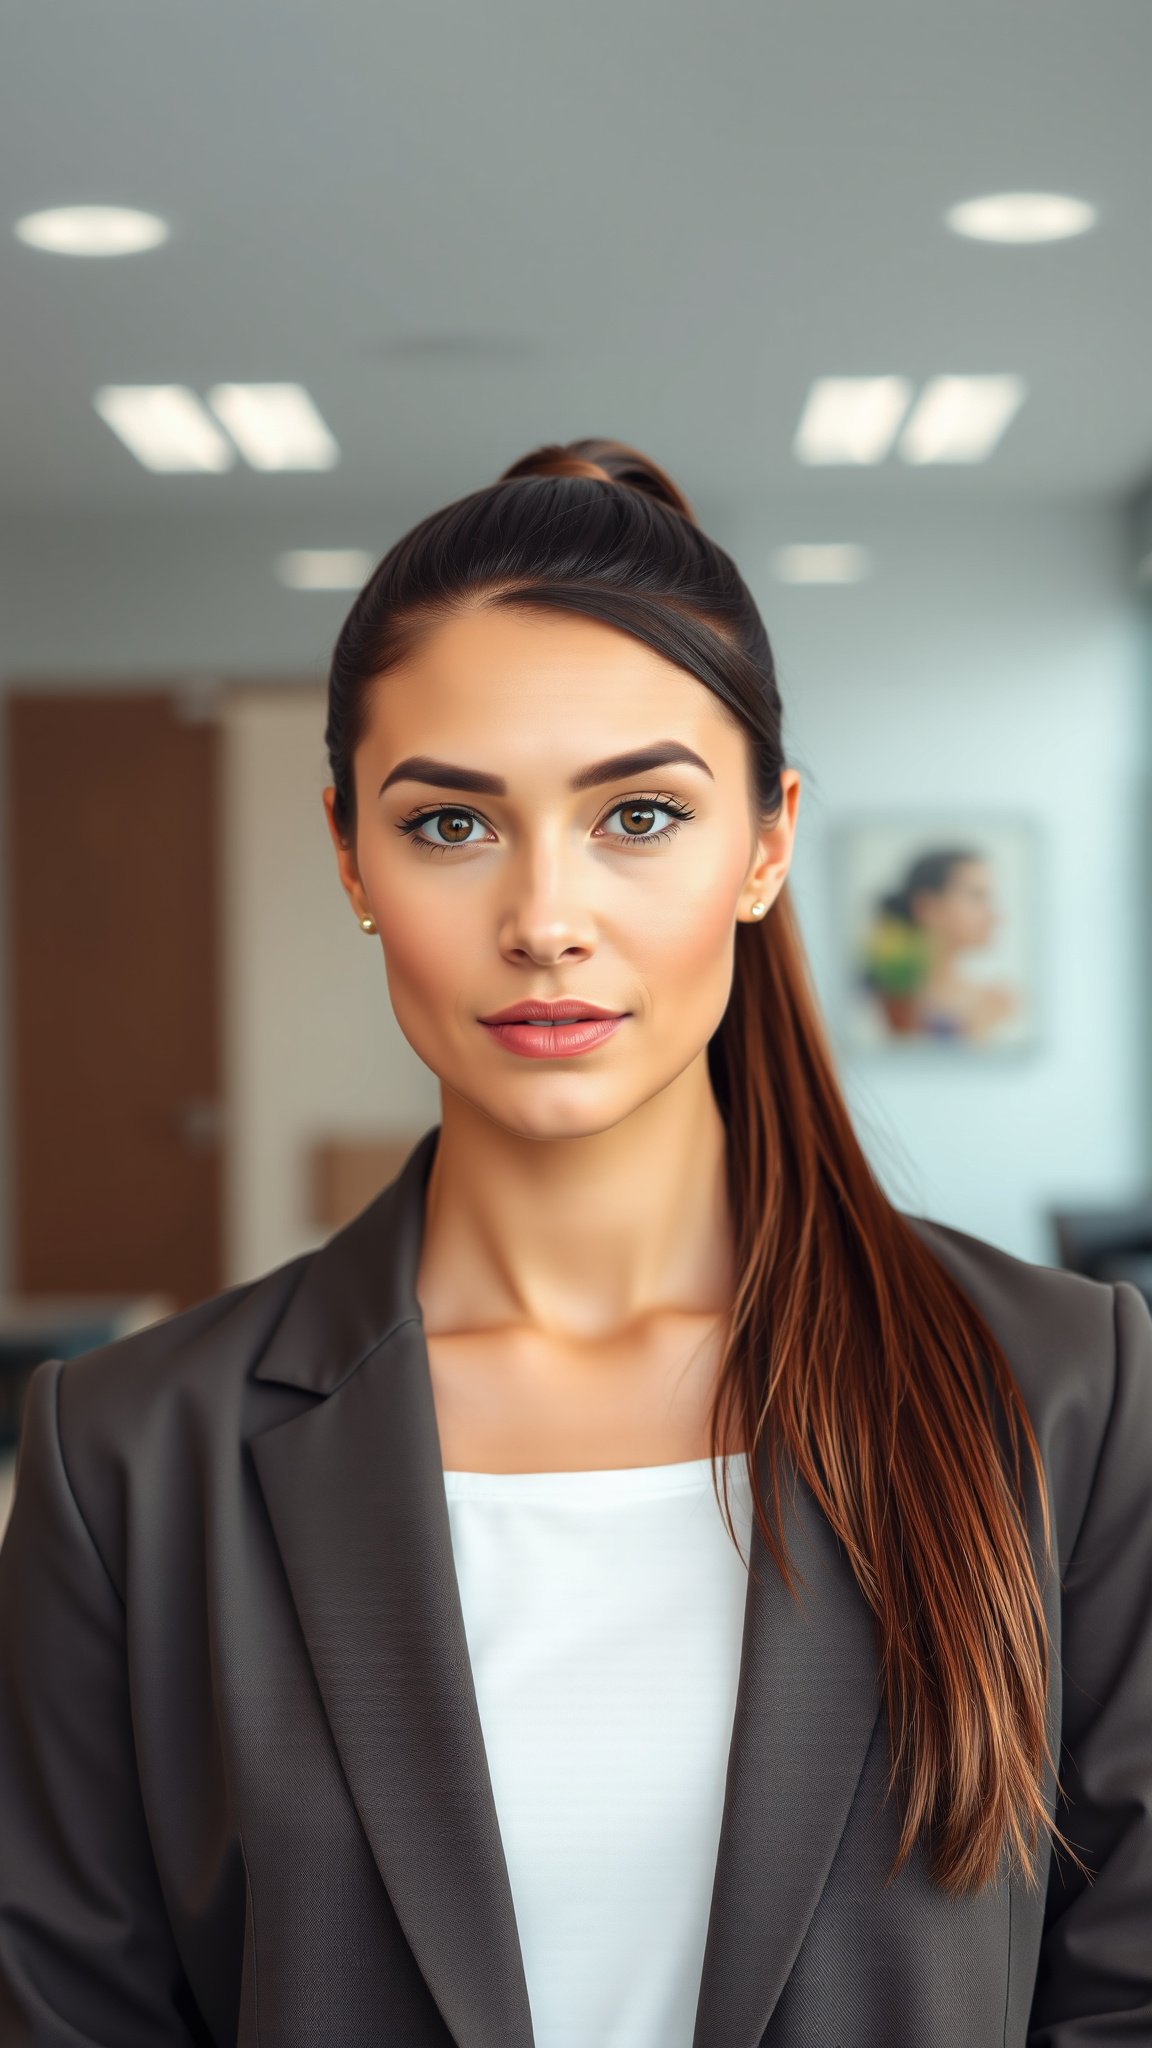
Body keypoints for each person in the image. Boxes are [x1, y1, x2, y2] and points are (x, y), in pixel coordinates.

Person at [0, 437, 1149, 2048]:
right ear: (350, 855)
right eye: (453, 826)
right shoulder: (129, 1461)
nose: (546, 915)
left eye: (639, 815)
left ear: (766, 843)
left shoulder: (1070, 1393)